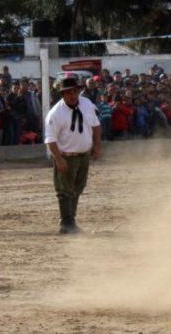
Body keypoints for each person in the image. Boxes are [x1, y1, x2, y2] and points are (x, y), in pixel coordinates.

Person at [44, 77, 101, 234]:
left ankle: (71, 220)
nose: (73, 95)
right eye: (69, 92)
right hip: (66, 155)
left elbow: (96, 126)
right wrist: (59, 159)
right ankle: (66, 223)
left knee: (78, 187)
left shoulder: (87, 104)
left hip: (83, 155)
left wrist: (97, 146)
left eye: (75, 92)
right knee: (64, 190)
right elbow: (50, 140)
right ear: (62, 94)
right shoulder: (55, 114)